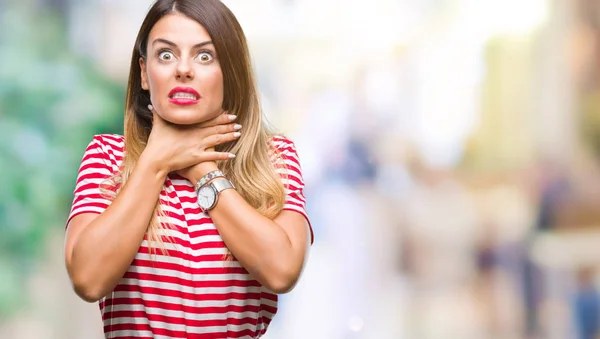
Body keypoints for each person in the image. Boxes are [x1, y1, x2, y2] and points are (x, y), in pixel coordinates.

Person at [63, 0, 313, 338]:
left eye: (204, 56)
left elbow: (282, 271)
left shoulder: (273, 158)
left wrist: (202, 168)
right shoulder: (107, 156)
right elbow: (88, 279)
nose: (183, 69)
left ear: (231, 71)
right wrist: (156, 161)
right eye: (166, 55)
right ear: (144, 72)